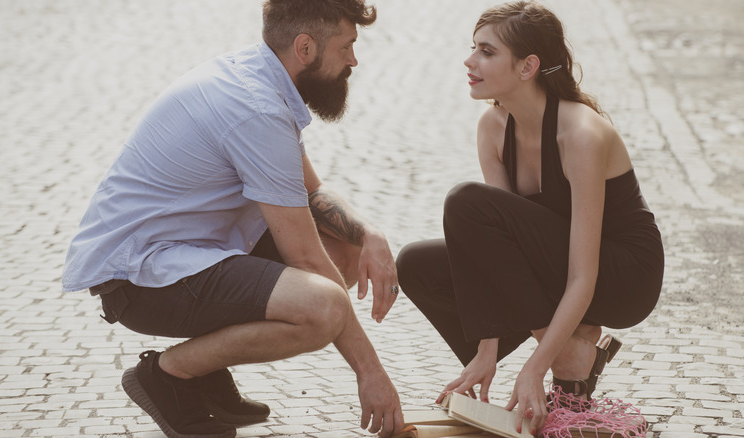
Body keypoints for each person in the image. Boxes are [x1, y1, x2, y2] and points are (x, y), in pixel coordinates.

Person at [61, 1, 404, 437]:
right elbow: (307, 259)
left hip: (190, 251)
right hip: (138, 279)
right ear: (305, 47)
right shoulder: (255, 108)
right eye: (347, 46)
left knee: (345, 248)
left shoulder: (259, 75)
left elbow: (311, 192)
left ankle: (205, 370)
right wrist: (370, 373)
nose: (353, 60)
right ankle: (169, 375)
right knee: (323, 305)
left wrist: (369, 233)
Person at [396, 1, 663, 435]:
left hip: (622, 274)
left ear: (527, 67)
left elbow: (583, 274)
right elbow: (491, 253)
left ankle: (568, 358)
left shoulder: (581, 133)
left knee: (466, 201)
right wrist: (486, 349)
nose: (470, 60)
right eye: (473, 48)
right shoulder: (493, 128)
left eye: (486, 51)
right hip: (554, 267)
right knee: (415, 264)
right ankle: (575, 354)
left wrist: (535, 368)